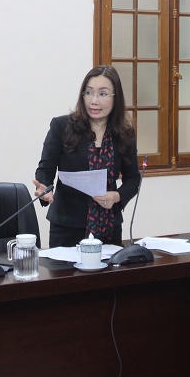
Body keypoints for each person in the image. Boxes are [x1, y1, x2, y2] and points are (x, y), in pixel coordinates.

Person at [34, 65, 141, 247]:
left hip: (109, 227)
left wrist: (116, 196)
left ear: (116, 97)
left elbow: (133, 179)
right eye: (89, 93)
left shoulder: (124, 133)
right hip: (67, 228)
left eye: (103, 94)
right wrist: (45, 189)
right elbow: (45, 170)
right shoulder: (62, 127)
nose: (94, 101)